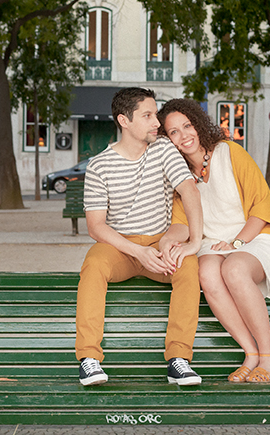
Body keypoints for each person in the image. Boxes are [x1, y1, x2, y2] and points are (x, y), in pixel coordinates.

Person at [75, 87, 205, 386]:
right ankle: (89, 359)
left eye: (155, 115)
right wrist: (137, 251)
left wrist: (193, 242)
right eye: (147, 116)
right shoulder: (99, 166)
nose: (156, 123)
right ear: (124, 120)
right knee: (93, 266)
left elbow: (189, 190)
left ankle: (179, 360)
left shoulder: (163, 149)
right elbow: (96, 227)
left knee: (188, 265)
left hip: (160, 245)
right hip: (120, 248)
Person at [156, 98, 270, 383]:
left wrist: (237, 244)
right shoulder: (178, 177)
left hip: (256, 237)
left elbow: (263, 208)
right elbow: (181, 224)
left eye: (187, 126)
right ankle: (251, 353)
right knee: (205, 271)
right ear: (167, 140)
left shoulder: (230, 153)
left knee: (234, 268)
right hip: (214, 243)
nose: (184, 136)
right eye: (174, 132)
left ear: (199, 124)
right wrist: (168, 241)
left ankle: (269, 358)